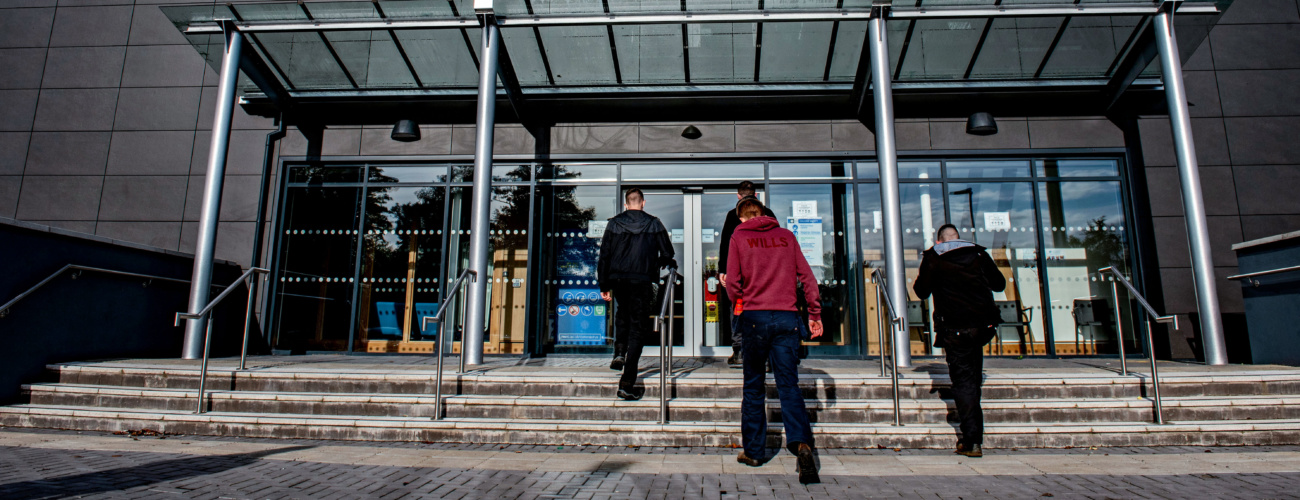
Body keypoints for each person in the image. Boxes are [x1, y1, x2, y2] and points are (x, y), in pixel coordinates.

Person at [725, 197, 822, 484]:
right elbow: (808, 278)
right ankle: (802, 445)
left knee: (754, 386)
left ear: (743, 217)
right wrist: (814, 313)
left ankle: (755, 451)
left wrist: (740, 301)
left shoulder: (739, 236)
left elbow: (732, 282)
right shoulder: (786, 236)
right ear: (764, 213)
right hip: (787, 318)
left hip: (755, 318)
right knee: (788, 385)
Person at [912, 223, 1007, 458]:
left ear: (940, 240)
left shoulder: (934, 257)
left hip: (955, 329)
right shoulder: (978, 253)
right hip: (982, 326)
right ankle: (973, 431)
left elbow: (921, 291)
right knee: (973, 375)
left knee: (963, 381)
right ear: (957, 238)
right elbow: (999, 284)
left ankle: (972, 441)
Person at [598, 188, 676, 401]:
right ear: (643, 202)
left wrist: (604, 284)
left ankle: (619, 353)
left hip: (619, 280)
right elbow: (668, 253)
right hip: (643, 279)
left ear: (626, 204)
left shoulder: (614, 223)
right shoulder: (654, 223)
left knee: (622, 314)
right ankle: (626, 383)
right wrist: (656, 264)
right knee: (638, 329)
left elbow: (604, 255)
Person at [717, 181, 775, 368]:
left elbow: (726, 244)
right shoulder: (769, 214)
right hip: (764, 273)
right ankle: (763, 355)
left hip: (740, 273)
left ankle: (740, 351)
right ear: (756, 195)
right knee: (763, 310)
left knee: (738, 309)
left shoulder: (732, 215)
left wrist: (723, 271)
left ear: (738, 196)